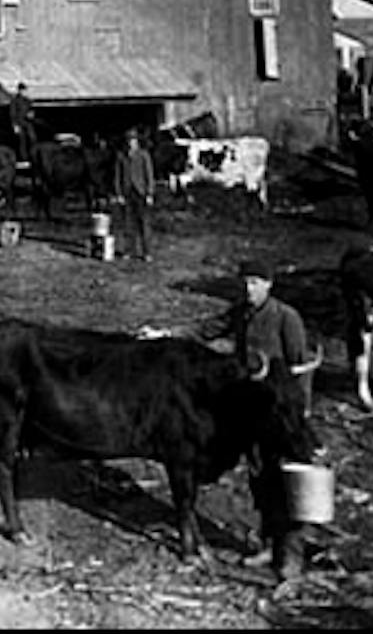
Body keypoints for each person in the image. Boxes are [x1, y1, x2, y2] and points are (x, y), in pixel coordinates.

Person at [137, 258, 316, 581]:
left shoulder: (286, 318)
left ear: (269, 285)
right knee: (259, 476)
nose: (249, 289)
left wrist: (299, 414)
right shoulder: (242, 313)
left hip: (280, 415)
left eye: (255, 283)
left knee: (284, 480)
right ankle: (267, 544)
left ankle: (290, 554)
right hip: (249, 410)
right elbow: (206, 329)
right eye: (245, 283)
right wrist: (164, 334)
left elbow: (300, 370)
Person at [113, 129, 155, 261]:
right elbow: (117, 176)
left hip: (140, 192)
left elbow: (149, 175)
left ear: (137, 142)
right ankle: (129, 251)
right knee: (128, 224)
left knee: (144, 224)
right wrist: (119, 193)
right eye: (129, 141)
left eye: (133, 141)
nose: (131, 143)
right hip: (127, 193)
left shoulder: (143, 155)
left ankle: (146, 252)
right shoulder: (121, 156)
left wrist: (149, 193)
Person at [9, 82, 37, 164]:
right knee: (22, 141)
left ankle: (32, 155)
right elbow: (12, 113)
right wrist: (15, 125)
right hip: (19, 123)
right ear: (19, 91)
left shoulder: (28, 101)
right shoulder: (15, 100)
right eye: (22, 90)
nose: (23, 92)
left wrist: (31, 115)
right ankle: (23, 158)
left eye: (24, 90)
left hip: (28, 123)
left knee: (32, 138)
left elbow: (31, 110)